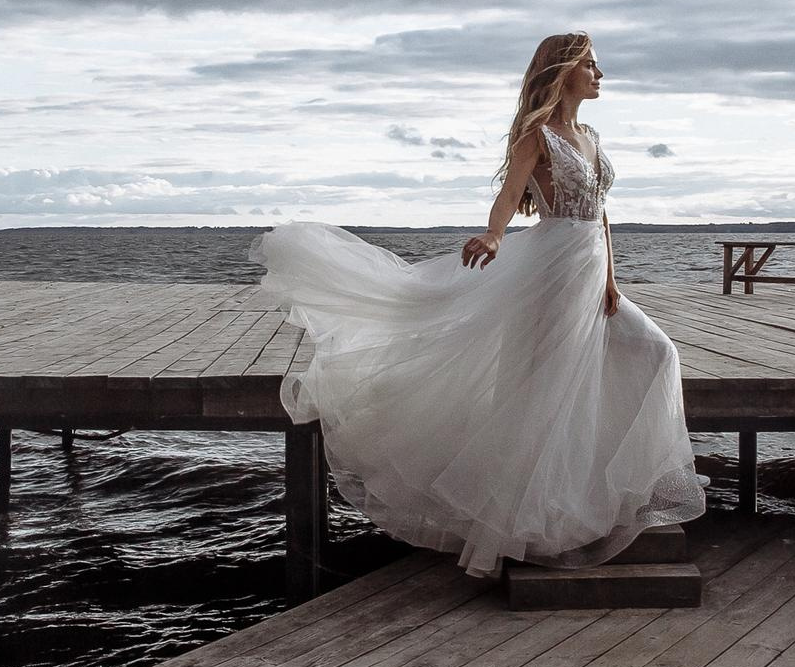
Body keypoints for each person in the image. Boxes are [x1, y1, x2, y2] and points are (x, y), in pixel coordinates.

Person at [251, 31, 709, 577]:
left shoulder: (589, 135)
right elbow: (510, 194)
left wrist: (612, 280)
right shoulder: (537, 134)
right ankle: (537, 516)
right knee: (548, 385)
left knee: (656, 352)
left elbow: (601, 214)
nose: (600, 73)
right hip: (554, 269)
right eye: (589, 64)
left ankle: (599, 489)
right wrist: (493, 236)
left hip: (592, 270)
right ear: (562, 71)